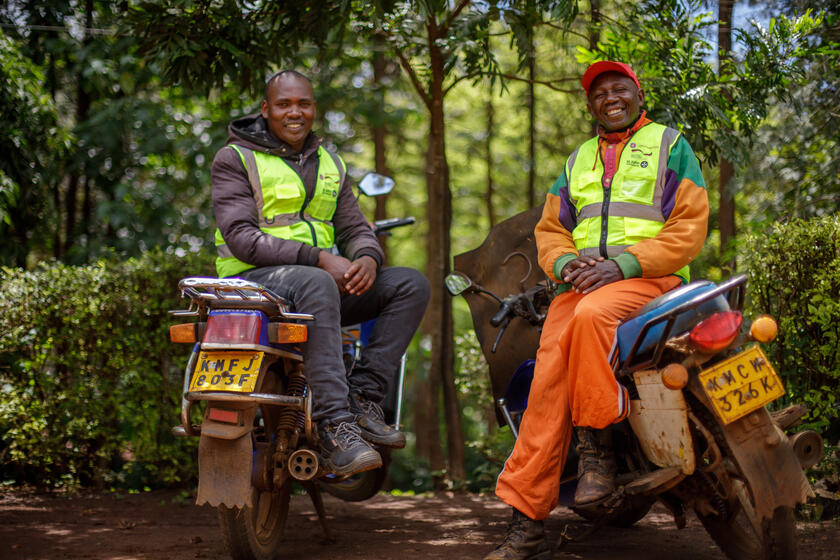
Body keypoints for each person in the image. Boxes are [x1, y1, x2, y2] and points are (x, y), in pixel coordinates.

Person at [484, 61, 709, 559]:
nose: (610, 96)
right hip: (580, 288)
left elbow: (690, 225)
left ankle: (597, 452)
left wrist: (623, 264)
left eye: (619, 87)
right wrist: (566, 265)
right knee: (545, 388)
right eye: (599, 91)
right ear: (590, 104)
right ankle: (526, 521)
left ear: (637, 92)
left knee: (590, 318)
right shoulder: (577, 160)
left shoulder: (671, 145)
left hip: (652, 281)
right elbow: (550, 230)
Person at [211, 69, 430, 478]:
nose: (295, 112)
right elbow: (241, 238)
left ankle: (364, 397)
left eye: (303, 104)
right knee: (317, 279)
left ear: (314, 109)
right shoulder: (235, 158)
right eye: (284, 104)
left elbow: (354, 227)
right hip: (255, 283)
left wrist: (367, 258)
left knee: (409, 283)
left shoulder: (329, 161)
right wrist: (319, 258)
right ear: (265, 110)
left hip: (316, 289)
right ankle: (335, 426)